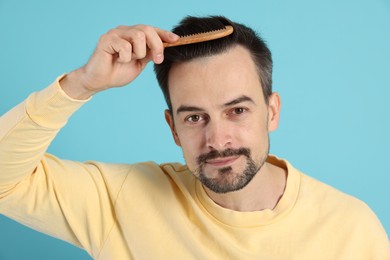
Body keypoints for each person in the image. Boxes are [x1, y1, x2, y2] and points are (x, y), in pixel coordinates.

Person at [0, 15, 389, 259]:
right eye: (195, 117)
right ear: (173, 127)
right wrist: (82, 84)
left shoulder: (351, 229)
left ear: (272, 112)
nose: (217, 139)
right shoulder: (120, 202)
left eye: (237, 111)